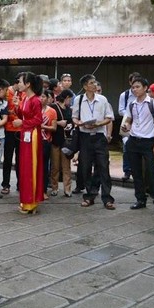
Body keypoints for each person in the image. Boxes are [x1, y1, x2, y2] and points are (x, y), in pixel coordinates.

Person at [120, 76, 154, 215]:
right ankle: (140, 199)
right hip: (134, 140)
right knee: (136, 172)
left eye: (138, 86)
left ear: (145, 88)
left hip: (148, 141)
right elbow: (128, 119)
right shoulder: (132, 104)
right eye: (133, 87)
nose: (135, 89)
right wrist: (126, 125)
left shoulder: (153, 103)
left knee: (151, 172)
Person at [74, 74, 115, 210]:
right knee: (85, 167)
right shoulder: (79, 100)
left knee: (103, 167)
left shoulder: (102, 99)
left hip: (99, 136)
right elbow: (74, 117)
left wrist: (98, 124)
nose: (95, 85)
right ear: (85, 86)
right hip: (85, 137)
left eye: (95, 83)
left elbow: (109, 117)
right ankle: (90, 195)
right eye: (91, 83)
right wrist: (79, 123)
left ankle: (107, 198)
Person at [12, 72, 44, 215]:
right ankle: (26, 200)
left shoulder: (35, 100)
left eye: (20, 81)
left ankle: (31, 203)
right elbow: (23, 115)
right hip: (26, 134)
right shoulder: (25, 98)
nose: (18, 84)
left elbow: (38, 120)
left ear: (28, 84)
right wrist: (17, 107)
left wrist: (22, 122)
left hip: (33, 135)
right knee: (24, 167)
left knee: (31, 167)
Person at [2, 74, 25, 195]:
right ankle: (5, 184)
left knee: (20, 158)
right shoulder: (7, 93)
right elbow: (4, 110)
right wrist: (12, 113)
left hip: (22, 130)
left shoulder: (25, 94)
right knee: (7, 158)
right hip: (9, 129)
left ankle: (20, 184)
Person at [49, 89, 74, 197]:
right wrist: (59, 123)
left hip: (66, 141)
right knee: (55, 166)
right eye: (70, 99)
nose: (70, 101)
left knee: (66, 167)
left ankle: (67, 189)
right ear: (66, 98)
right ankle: (54, 187)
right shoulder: (53, 107)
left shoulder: (69, 109)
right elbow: (49, 121)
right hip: (55, 140)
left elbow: (72, 122)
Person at [117, 72, 140, 182]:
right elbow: (120, 110)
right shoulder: (124, 95)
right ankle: (127, 171)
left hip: (140, 124)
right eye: (133, 82)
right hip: (127, 122)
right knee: (127, 147)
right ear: (130, 82)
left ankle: (138, 171)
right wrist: (130, 113)